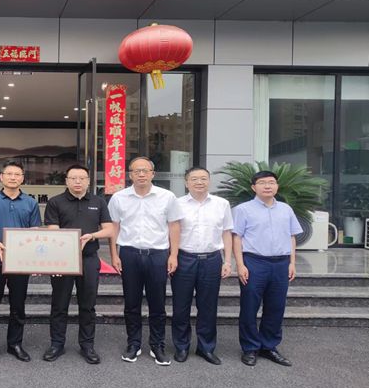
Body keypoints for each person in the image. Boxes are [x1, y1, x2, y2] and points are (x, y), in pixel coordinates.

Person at [109, 156, 183, 366]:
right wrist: (114, 254)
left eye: (145, 170)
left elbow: (174, 226)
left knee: (157, 303)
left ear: (153, 174)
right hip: (129, 254)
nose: (141, 174)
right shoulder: (119, 198)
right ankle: (133, 343)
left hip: (158, 255)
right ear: (130, 175)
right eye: (136, 171)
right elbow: (114, 227)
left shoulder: (167, 197)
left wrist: (174, 255)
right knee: (131, 303)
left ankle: (157, 345)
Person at [42, 164, 115, 364]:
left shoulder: (98, 202)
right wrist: (67, 247)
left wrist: (92, 236)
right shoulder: (55, 202)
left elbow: (109, 230)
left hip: (89, 259)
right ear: (66, 180)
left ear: (88, 181)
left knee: (88, 304)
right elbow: (53, 231)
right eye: (73, 178)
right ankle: (57, 344)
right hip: (62, 260)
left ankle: (87, 345)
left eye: (82, 178)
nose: (77, 181)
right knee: (59, 304)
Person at [0, 160, 42, 364]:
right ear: (1, 177)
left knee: (18, 305)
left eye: (17, 174)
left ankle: (15, 344)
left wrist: (36, 259)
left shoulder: (30, 202)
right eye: (9, 174)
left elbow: (35, 231)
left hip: (21, 262)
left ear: (22, 178)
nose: (13, 177)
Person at [233, 170, 302, 367]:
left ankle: (269, 346)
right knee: (249, 307)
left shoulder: (286, 209)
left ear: (277, 186)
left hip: (281, 263)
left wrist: (292, 262)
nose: (267, 186)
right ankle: (250, 348)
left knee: (276, 307)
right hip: (254, 262)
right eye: (262, 182)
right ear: (253, 187)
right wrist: (240, 264)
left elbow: (291, 236)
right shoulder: (243, 209)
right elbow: (236, 237)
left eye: (271, 182)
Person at [171, 167, 233, 365]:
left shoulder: (222, 204)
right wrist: (172, 256)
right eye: (194, 179)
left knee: (208, 306)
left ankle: (206, 348)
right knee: (181, 306)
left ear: (209, 181)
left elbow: (227, 233)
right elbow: (171, 232)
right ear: (186, 183)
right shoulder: (177, 204)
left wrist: (227, 260)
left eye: (204, 178)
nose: (199, 182)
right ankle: (181, 346)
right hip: (184, 259)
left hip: (212, 260)